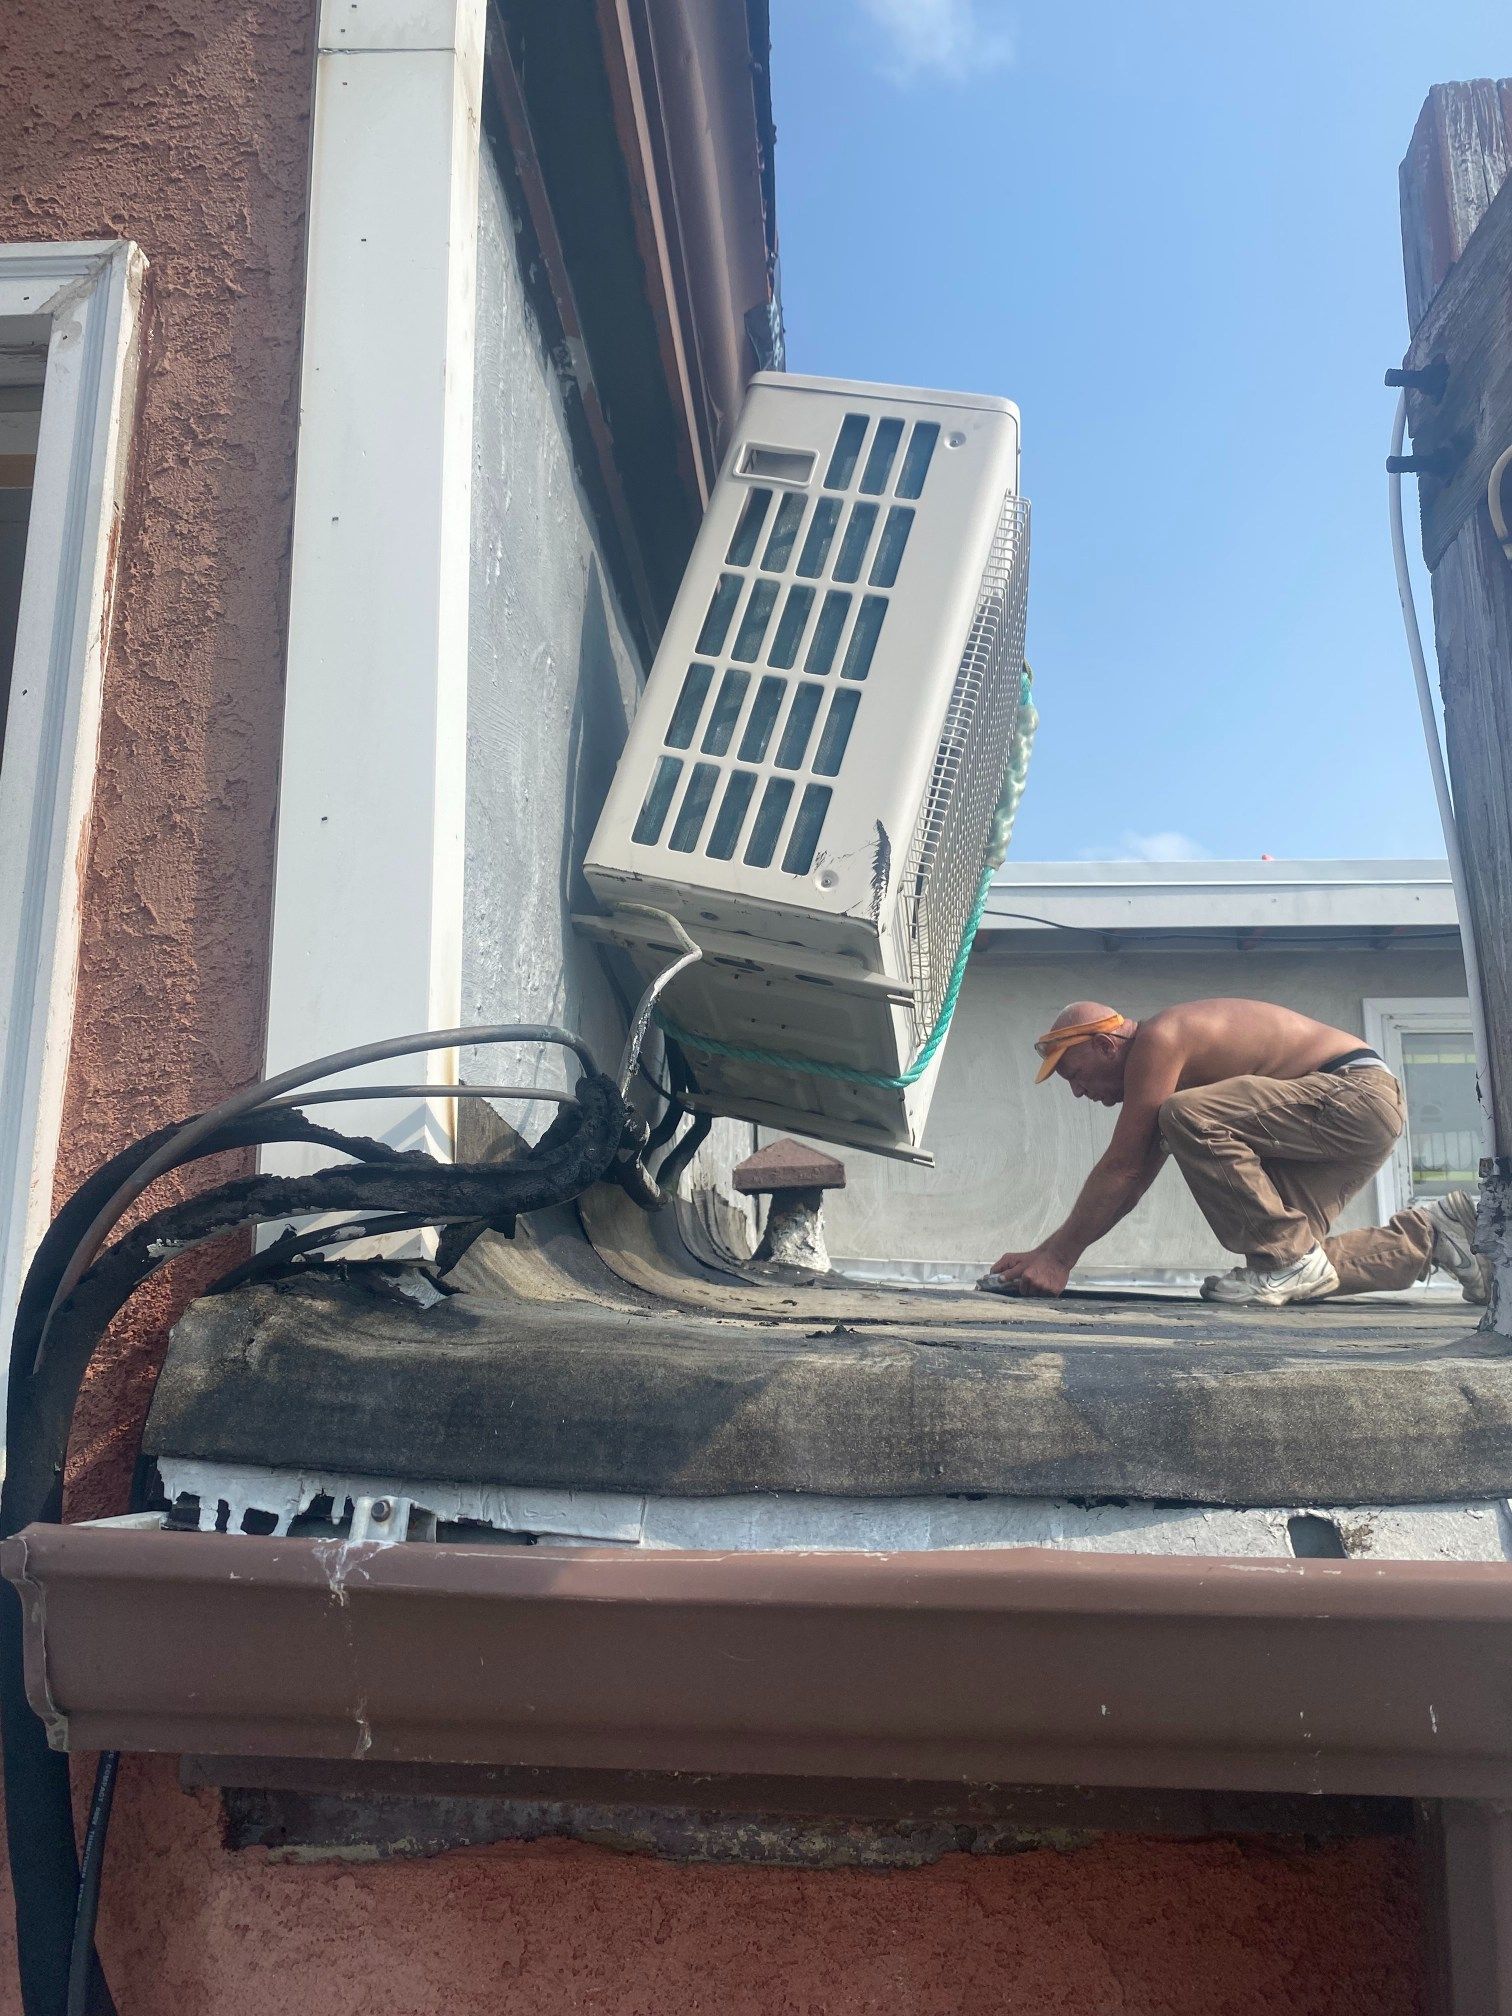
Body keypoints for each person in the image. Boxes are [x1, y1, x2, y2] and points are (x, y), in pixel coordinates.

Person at [986, 997, 1487, 1307]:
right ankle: (1435, 1234)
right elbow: (1133, 1179)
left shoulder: (1162, 1039)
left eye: (1073, 1075)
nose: (1077, 1092)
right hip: (1336, 1119)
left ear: (1105, 1045)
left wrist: (1057, 1255)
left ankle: (1285, 1261)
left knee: (1186, 1116)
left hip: (1352, 1094)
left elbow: (1124, 1166)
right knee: (1293, 1269)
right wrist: (1055, 1253)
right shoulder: (1163, 1075)